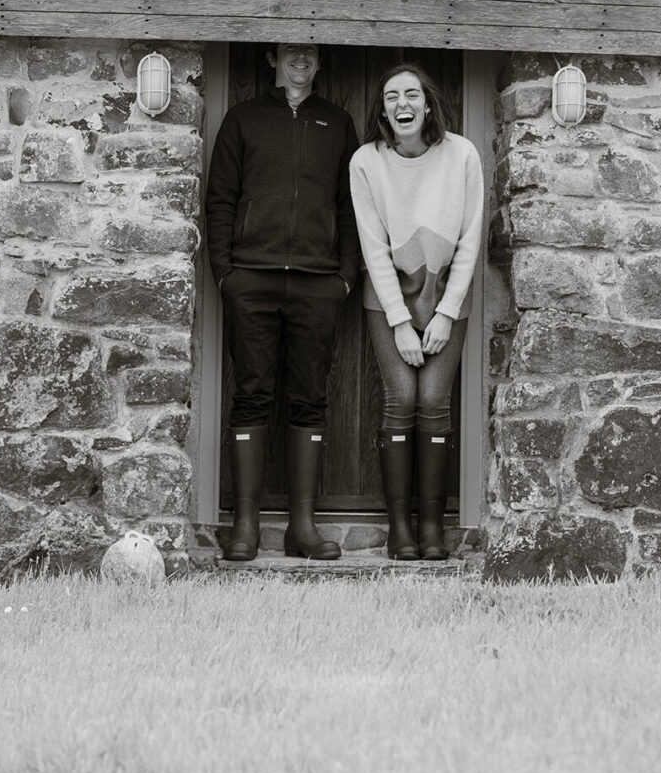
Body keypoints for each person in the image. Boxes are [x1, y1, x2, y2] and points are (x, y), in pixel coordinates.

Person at [206, 42, 359, 562]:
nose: (300, 58)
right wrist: (226, 273)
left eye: (310, 51)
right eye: (291, 50)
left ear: (319, 61)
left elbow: (349, 206)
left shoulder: (337, 124)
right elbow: (221, 198)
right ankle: (244, 526)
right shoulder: (243, 118)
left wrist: (344, 277)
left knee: (309, 397)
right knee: (251, 393)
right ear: (273, 58)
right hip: (251, 277)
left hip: (318, 283)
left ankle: (302, 527)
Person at [349, 63, 484, 560]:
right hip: (389, 298)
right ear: (382, 108)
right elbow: (373, 249)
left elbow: (470, 241)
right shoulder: (367, 162)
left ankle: (432, 529)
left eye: (411, 95)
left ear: (428, 103)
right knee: (401, 398)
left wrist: (447, 312)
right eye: (391, 97)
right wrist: (400, 322)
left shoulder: (462, 155)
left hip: (449, 291)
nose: (401, 105)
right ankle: (400, 529)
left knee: (434, 401)